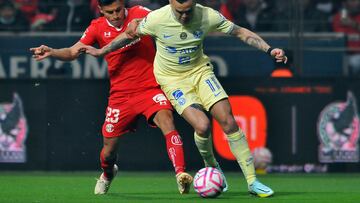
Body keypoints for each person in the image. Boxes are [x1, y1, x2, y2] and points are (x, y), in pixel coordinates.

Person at [82, 0, 288, 198]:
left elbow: (240, 32)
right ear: (170, 3)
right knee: (203, 126)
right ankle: (212, 166)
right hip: (173, 80)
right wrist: (102, 50)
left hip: (200, 72)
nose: (184, 16)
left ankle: (253, 182)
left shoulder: (207, 15)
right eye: (179, 11)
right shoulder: (156, 19)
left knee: (228, 121)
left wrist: (270, 49)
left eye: (188, 11)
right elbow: (128, 34)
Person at [29, 0, 193, 195]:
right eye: (109, 12)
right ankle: (108, 174)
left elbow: (167, 17)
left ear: (123, 5)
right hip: (120, 96)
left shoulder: (140, 12)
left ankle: (181, 175)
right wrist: (53, 52)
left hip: (150, 88)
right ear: (100, 10)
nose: (115, 15)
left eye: (118, 10)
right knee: (108, 151)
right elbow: (74, 51)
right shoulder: (96, 27)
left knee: (167, 121)